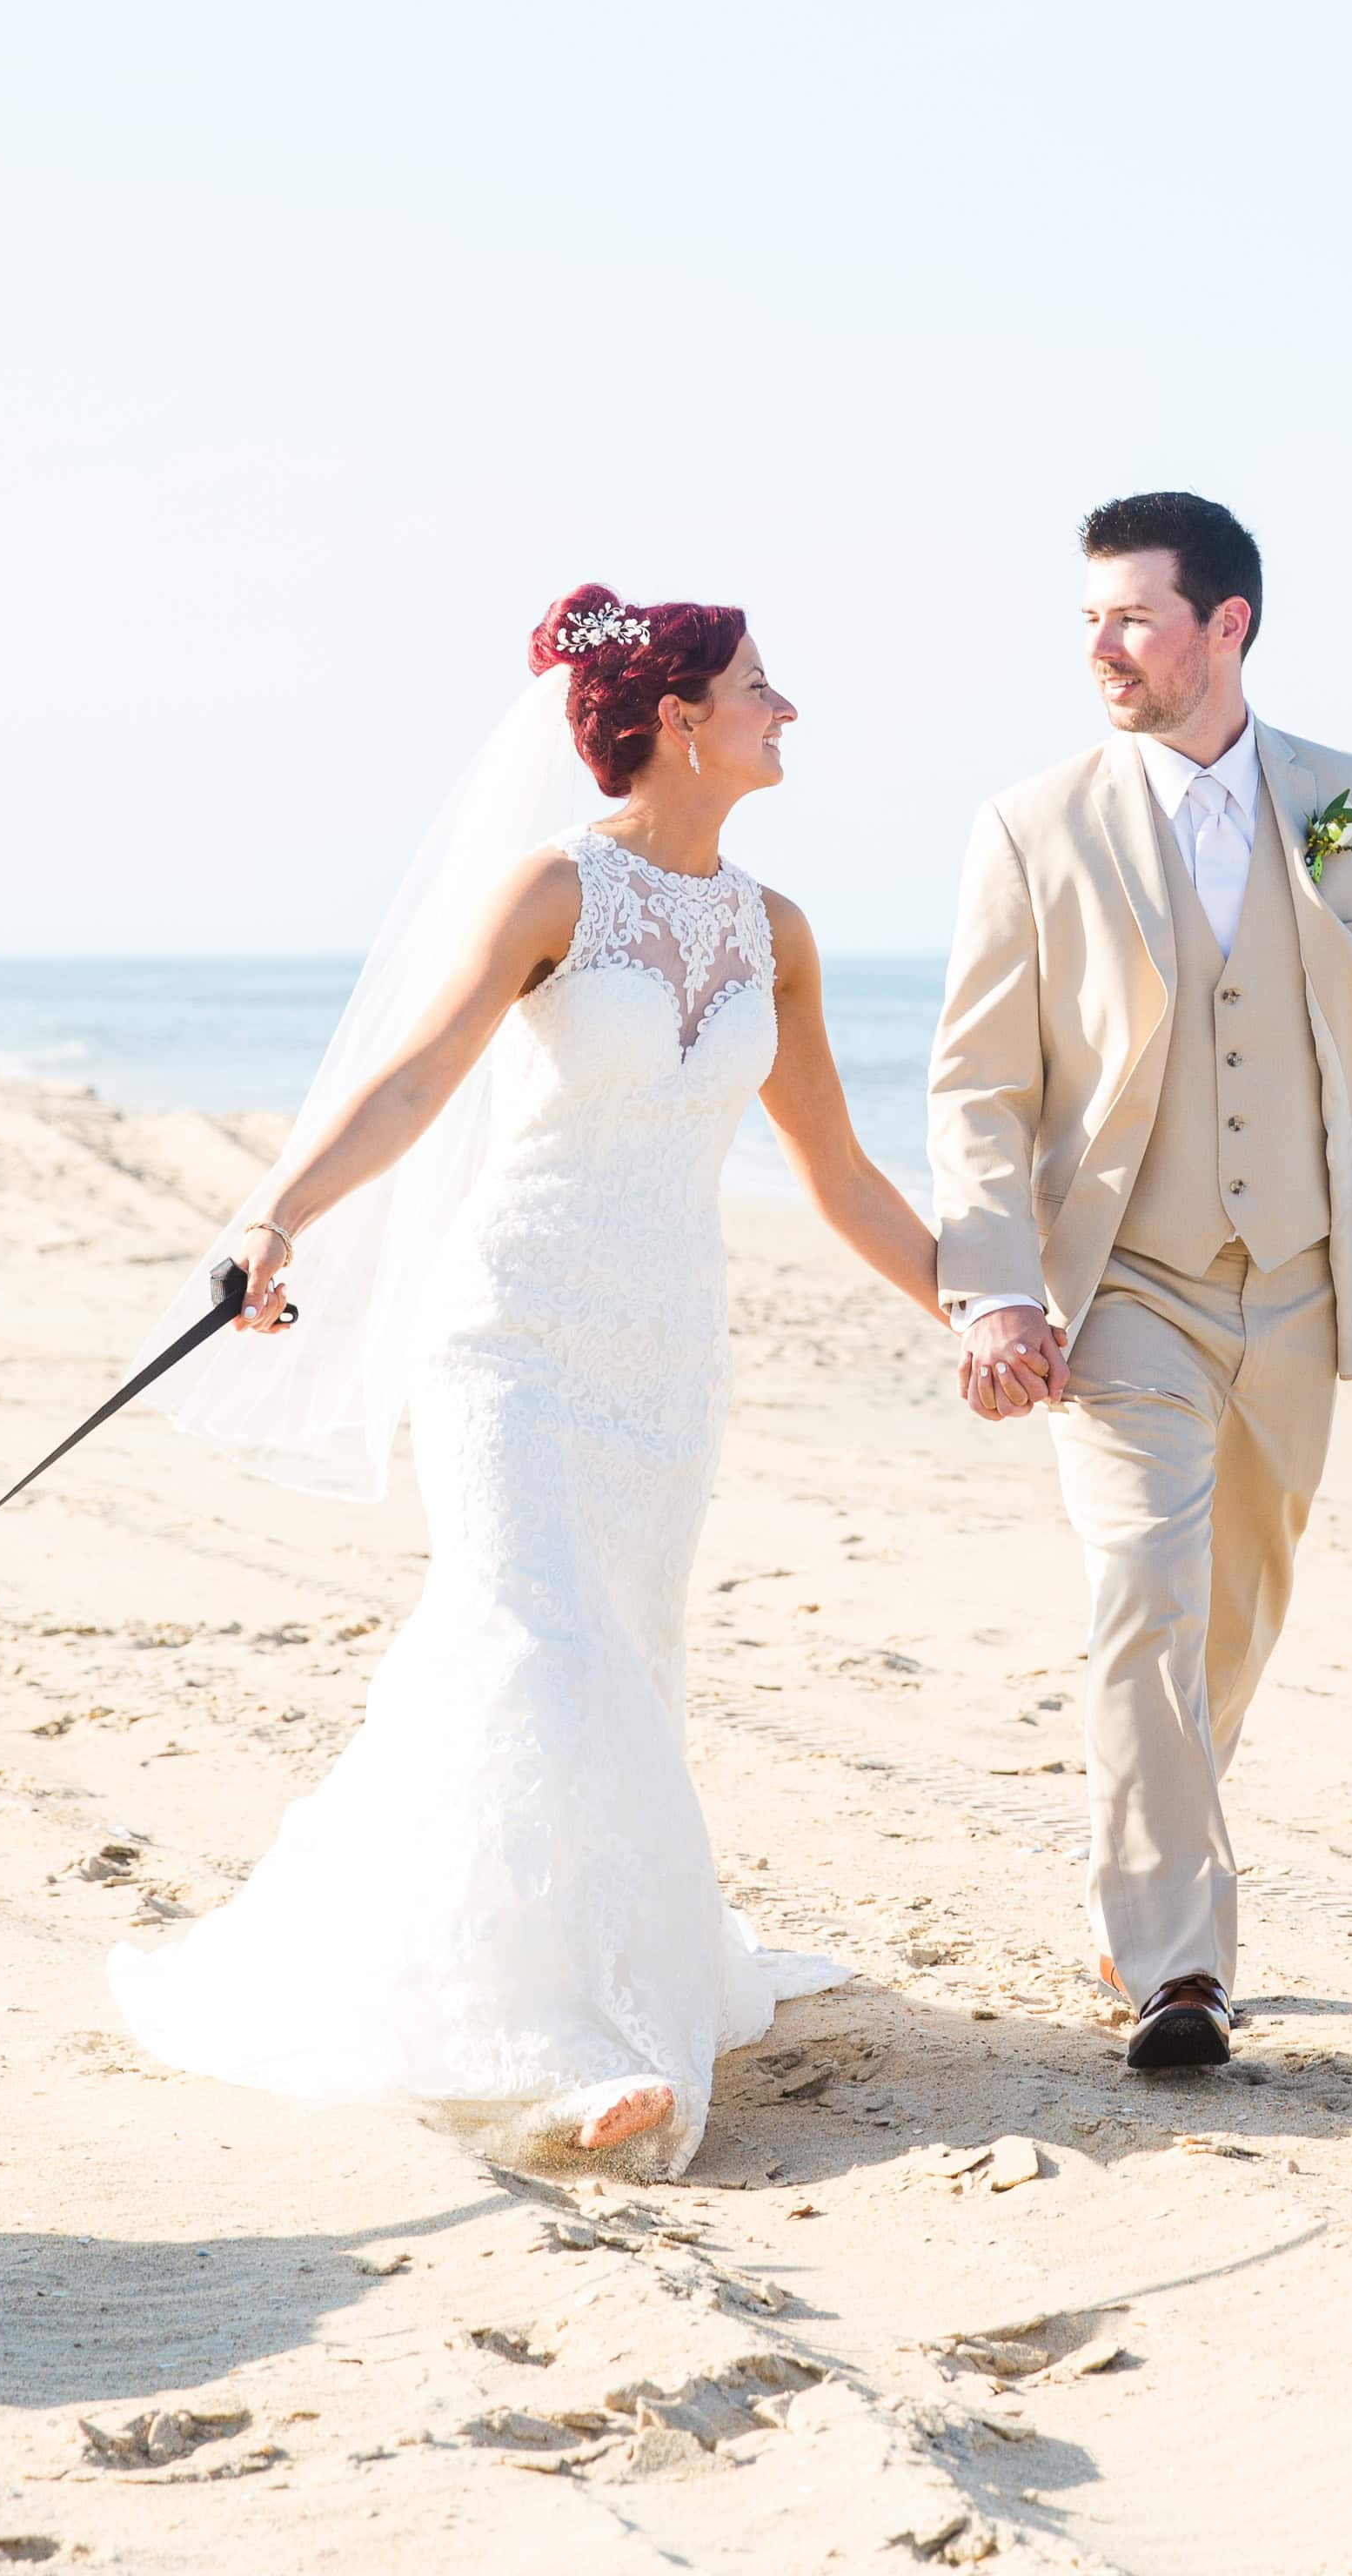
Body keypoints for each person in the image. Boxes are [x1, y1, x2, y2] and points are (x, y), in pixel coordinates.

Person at [106, 587, 944, 2177]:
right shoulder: (557, 889)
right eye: (765, 689)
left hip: (666, 1362)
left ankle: (558, 1969)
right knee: (539, 1652)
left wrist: (979, 1312)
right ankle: (554, 2051)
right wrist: (274, 1214)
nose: (792, 713)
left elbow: (838, 1171)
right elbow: (418, 1075)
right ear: (683, 720)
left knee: (617, 1664)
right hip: (513, 1338)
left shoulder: (779, 934)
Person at [931, 490, 1352, 2073]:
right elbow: (979, 1088)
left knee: (1232, 1627)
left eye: (1133, 617)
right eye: (1089, 622)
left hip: (1301, 1286)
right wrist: (994, 1289)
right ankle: (1179, 1970)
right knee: (1147, 1598)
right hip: (1123, 1285)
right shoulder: (1031, 825)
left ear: (1227, 626)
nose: (1104, 649)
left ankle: (1155, 1863)